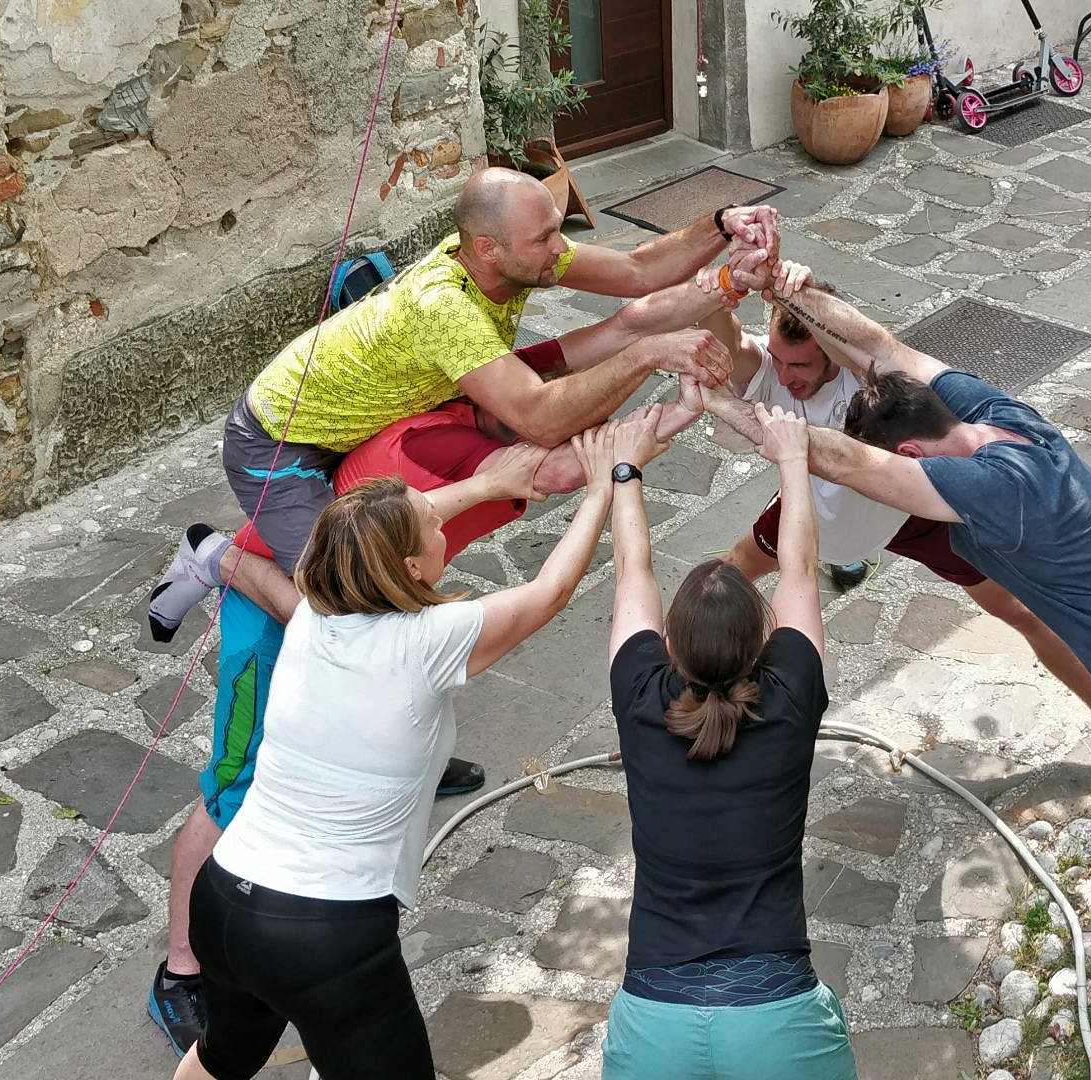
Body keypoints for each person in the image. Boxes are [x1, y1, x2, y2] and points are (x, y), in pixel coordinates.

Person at [143, 168, 771, 1052]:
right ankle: (179, 967)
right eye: (544, 237)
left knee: (357, 607)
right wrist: (643, 396)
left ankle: (379, 744)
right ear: (487, 248)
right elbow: (555, 445)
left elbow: (627, 303)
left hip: (362, 464)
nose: (560, 247)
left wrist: (723, 245)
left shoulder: (444, 433)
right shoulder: (451, 375)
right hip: (279, 451)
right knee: (291, 678)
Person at [702, 278, 1091, 1079]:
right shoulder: (999, 418)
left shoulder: (992, 493)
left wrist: (713, 403)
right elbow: (883, 347)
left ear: (911, 453)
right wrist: (785, 285)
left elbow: (826, 454)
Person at [171, 414, 652, 1080]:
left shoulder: (315, 605)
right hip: (325, 935)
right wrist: (603, 484)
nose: (443, 523)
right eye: (433, 524)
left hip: (225, 897)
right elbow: (550, 592)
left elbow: (369, 532)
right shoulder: (429, 640)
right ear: (408, 566)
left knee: (224, 1058)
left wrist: (486, 485)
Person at [699, 265, 1091, 795]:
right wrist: (728, 279)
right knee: (722, 582)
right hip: (813, 511)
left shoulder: (862, 377)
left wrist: (806, 293)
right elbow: (724, 334)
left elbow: (864, 343)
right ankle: (691, 688)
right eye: (779, 359)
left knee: (1022, 611)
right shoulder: (768, 367)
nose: (786, 373)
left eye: (800, 363)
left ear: (827, 350)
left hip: (907, 511)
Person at [602, 401, 855, 1079]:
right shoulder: (790, 692)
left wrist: (626, 469)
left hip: (653, 1019)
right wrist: (793, 459)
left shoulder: (638, 690)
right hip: (778, 1016)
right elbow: (799, 569)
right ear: (764, 638)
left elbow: (632, 572)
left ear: (668, 644)